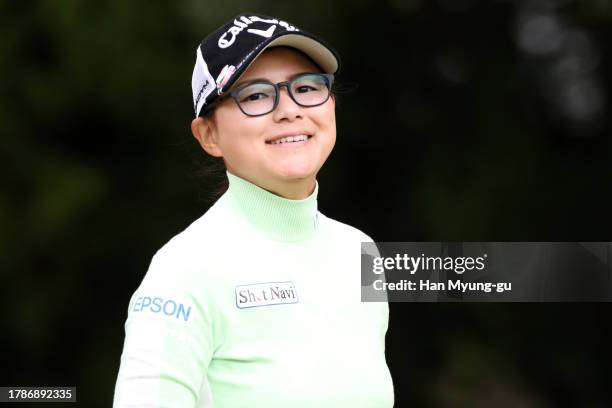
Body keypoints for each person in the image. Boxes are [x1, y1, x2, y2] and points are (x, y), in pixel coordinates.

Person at [113, 13, 394, 407]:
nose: (290, 110)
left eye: (308, 87)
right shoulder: (183, 269)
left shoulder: (360, 252)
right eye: (256, 95)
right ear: (208, 135)